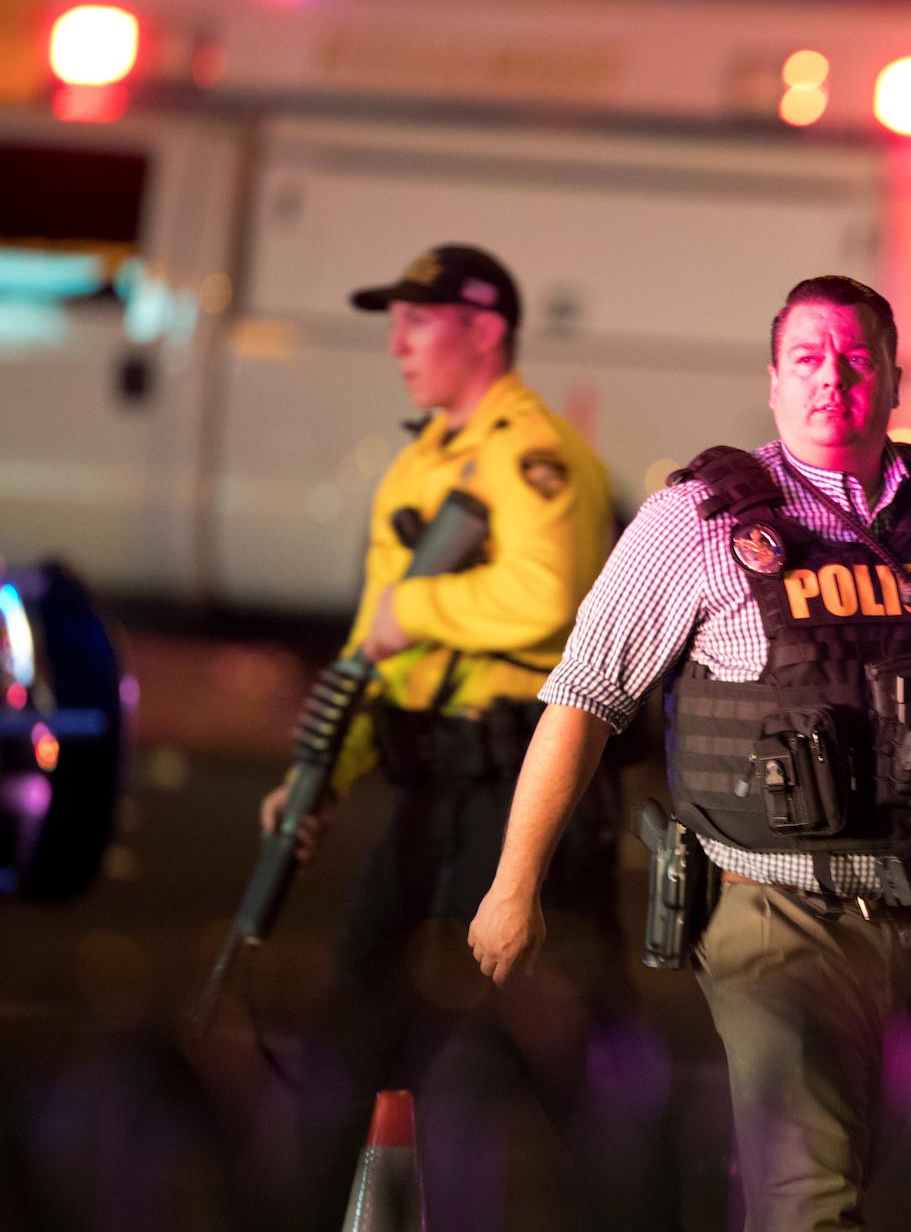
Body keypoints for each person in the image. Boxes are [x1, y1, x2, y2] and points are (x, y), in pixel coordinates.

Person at [468, 274, 911, 1231]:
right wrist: (513, 885)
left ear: (895, 381)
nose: (831, 379)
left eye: (857, 360)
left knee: (906, 1193)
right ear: (773, 381)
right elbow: (584, 697)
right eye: (808, 358)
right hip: (775, 918)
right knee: (811, 1204)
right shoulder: (701, 521)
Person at [257, 243, 650, 1228]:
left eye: (418, 322)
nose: (397, 344)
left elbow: (544, 593)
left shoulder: (537, 454)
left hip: (526, 779)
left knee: (555, 1047)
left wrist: (418, 606)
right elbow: (369, 644)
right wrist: (321, 774)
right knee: (358, 1019)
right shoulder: (418, 465)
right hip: (429, 784)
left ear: (484, 331)